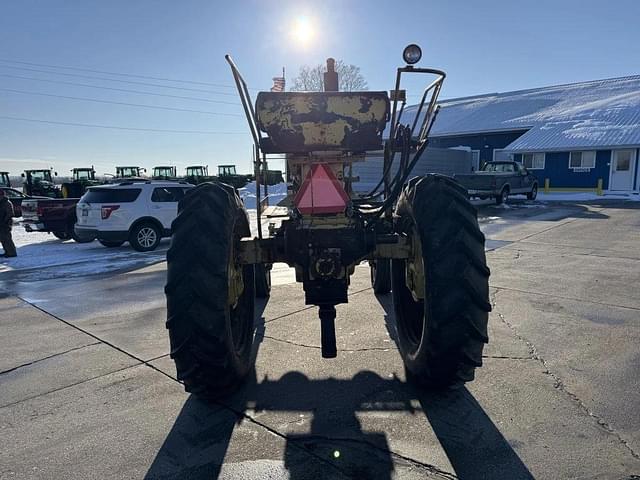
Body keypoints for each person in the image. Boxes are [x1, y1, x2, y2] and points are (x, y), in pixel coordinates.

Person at [0, 189, 17, 257]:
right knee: (3, 239)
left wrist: (5, 222)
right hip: (1, 223)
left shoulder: (7, 203)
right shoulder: (1, 203)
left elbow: (10, 214)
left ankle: (12, 253)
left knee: (7, 239)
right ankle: (7, 251)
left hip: (5, 223)